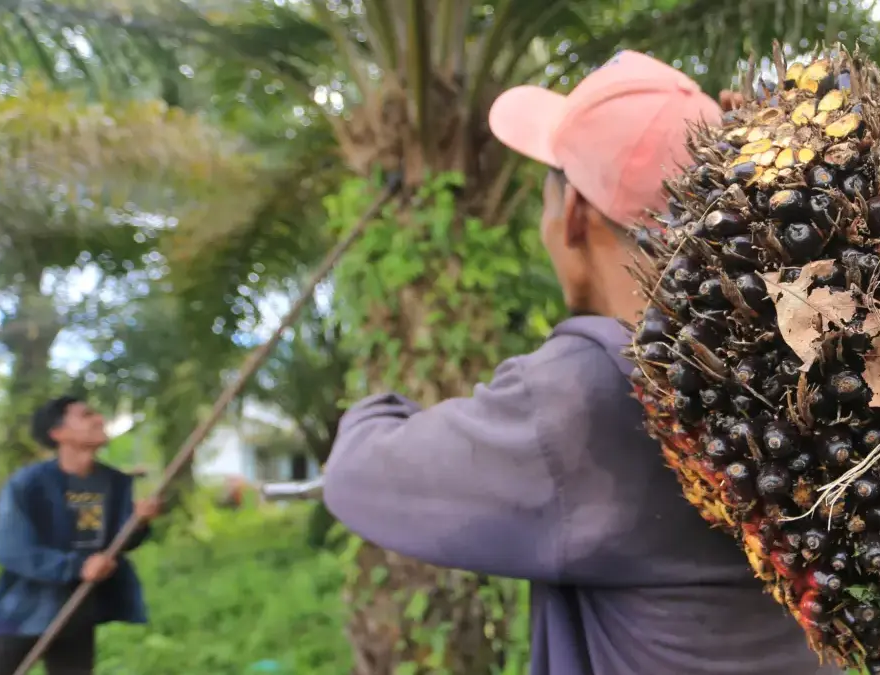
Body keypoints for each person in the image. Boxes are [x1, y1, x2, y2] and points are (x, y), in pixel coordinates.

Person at [322, 50, 841, 675]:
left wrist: (376, 410)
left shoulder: (587, 392)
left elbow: (358, 477)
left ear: (571, 214)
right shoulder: (797, 369)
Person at [0, 396, 161, 675]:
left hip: (78, 608)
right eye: (86, 415)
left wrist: (139, 522)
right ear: (58, 433)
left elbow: (120, 543)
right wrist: (77, 566)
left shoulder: (115, 482)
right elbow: (11, 550)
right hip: (25, 610)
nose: (99, 419)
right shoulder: (28, 484)